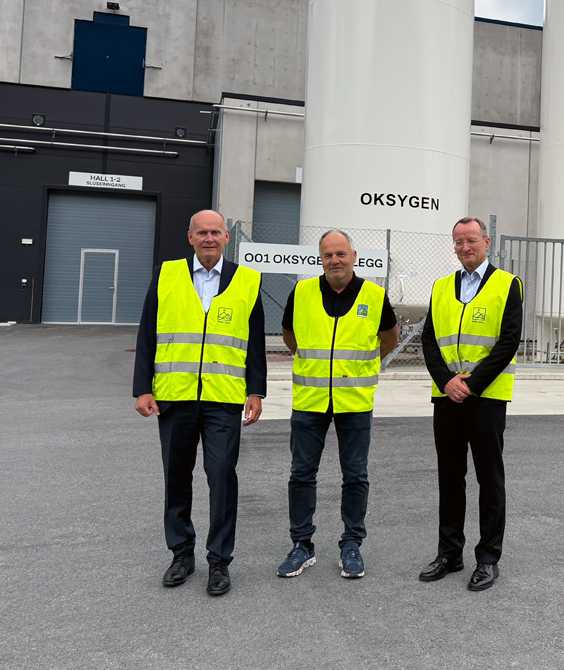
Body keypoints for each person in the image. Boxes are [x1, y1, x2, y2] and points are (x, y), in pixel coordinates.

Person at [132, 209, 265, 597]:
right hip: (175, 397)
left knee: (222, 476)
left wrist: (256, 391)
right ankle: (181, 554)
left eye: (215, 232)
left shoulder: (247, 280)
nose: (209, 238)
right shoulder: (166, 274)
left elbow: (255, 340)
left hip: (223, 398)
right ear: (190, 237)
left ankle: (219, 560)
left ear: (226, 237)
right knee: (176, 477)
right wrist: (142, 388)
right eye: (202, 232)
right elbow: (147, 333)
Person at [276, 229, 399, 580]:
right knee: (302, 473)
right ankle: (302, 544)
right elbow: (290, 336)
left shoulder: (374, 295)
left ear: (354, 256)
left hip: (354, 400)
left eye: (341, 253)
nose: (335, 260)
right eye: (328, 254)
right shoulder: (302, 292)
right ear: (320, 258)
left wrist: (360, 368)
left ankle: (351, 545)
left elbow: (389, 339)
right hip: (310, 399)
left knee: (355, 475)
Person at [419, 217, 522, 591]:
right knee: (450, 478)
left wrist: (471, 385)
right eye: (459, 242)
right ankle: (450, 553)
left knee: (489, 479)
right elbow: (429, 340)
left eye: (471, 240)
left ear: (487, 242)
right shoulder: (441, 287)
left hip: (486, 399)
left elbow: (508, 341)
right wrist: (446, 382)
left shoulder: (507, 284)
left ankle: (488, 559)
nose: (465, 247)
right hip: (446, 397)